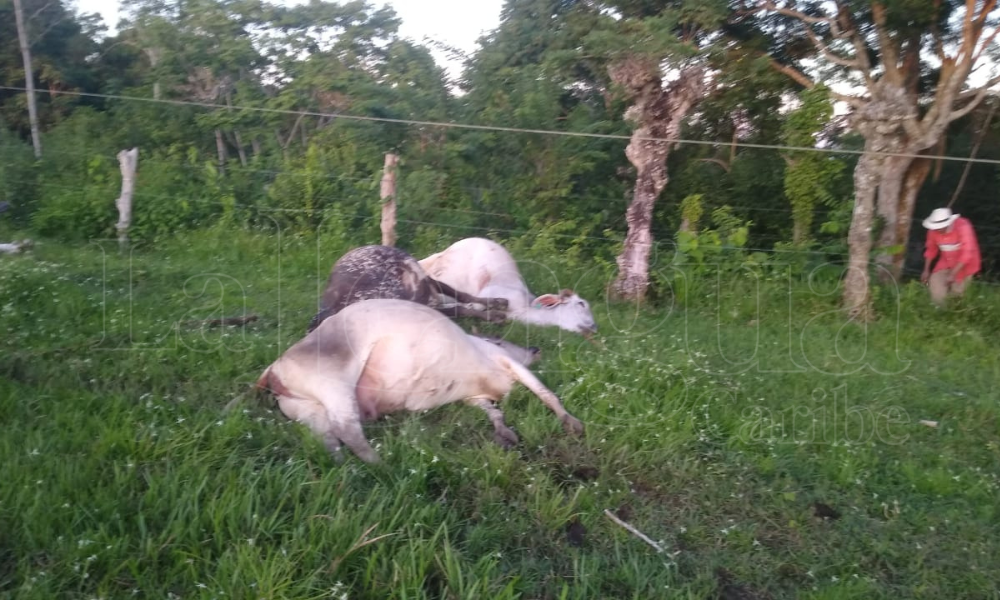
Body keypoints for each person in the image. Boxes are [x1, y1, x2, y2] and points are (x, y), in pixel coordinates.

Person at [920, 207, 981, 306]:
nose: (937, 229)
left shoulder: (963, 227)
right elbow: (931, 249)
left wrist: (952, 274)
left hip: (965, 266)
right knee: (935, 285)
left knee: (957, 295)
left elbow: (967, 254)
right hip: (945, 263)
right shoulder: (933, 231)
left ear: (948, 223)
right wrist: (926, 270)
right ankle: (938, 311)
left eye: (940, 227)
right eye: (935, 227)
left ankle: (953, 315)